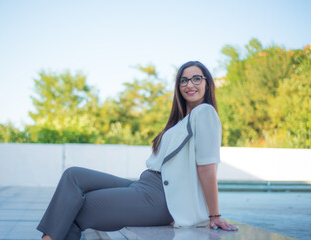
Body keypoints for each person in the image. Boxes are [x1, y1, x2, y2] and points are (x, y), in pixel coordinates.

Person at [37, 61, 238, 240]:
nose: (189, 84)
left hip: (160, 197)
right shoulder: (180, 121)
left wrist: (214, 216)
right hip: (143, 185)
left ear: (207, 83)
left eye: (196, 78)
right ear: (178, 87)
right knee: (73, 176)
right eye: (183, 80)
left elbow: (207, 166)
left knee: (76, 208)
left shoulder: (205, 112)